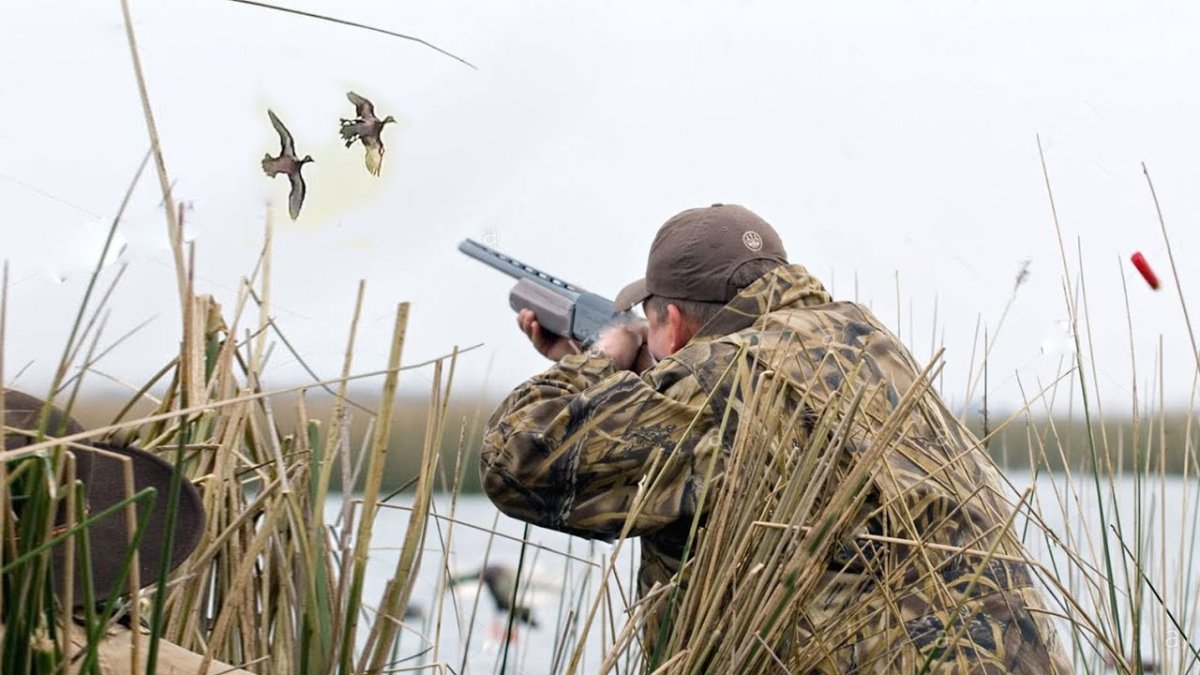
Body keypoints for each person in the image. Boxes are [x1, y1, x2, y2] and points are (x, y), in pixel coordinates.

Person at [479, 204, 1073, 672]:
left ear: (675, 324)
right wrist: (631, 385)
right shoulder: (869, 343)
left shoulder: (712, 383)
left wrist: (599, 364)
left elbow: (517, 459)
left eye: (649, 322)